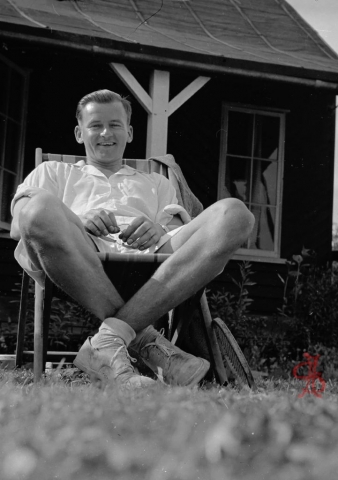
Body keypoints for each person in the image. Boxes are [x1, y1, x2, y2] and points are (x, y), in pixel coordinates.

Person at [10, 90, 255, 389]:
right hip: (81, 256)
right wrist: (77, 221)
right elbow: (22, 223)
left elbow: (181, 231)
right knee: (38, 208)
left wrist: (158, 229)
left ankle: (107, 344)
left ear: (129, 131)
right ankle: (144, 341)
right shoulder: (53, 171)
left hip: (155, 263)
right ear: (78, 133)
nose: (105, 133)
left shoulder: (157, 181)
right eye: (95, 125)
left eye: (115, 124)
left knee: (236, 214)